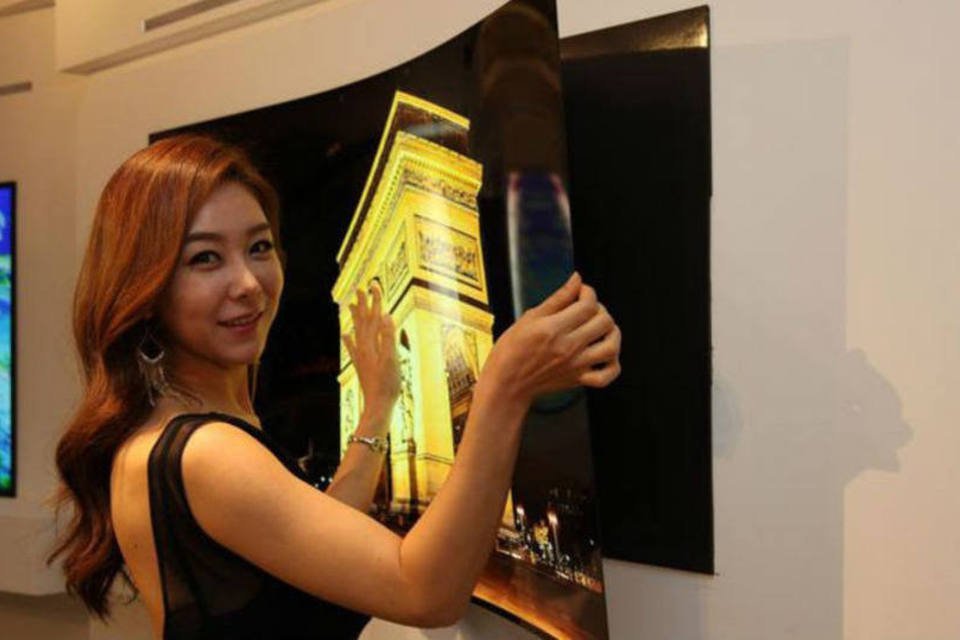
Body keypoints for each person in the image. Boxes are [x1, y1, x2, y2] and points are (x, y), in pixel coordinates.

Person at [49, 134, 621, 639]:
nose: (248, 283)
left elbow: (307, 538)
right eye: (205, 258)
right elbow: (427, 593)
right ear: (146, 286)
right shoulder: (207, 454)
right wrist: (503, 385)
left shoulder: (165, 433)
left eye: (259, 247)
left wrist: (378, 405)